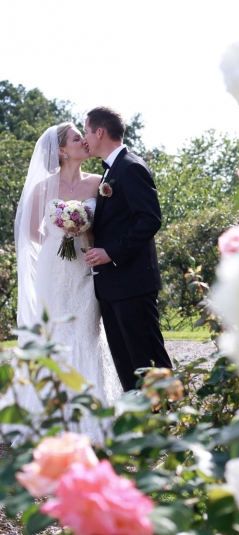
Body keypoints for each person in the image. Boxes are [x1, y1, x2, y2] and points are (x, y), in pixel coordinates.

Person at [7, 122, 123, 443]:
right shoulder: (44, 186)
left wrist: (82, 233)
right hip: (54, 269)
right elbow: (30, 231)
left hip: (86, 268)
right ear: (61, 149)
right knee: (55, 332)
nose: (83, 142)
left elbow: (107, 227)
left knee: (86, 332)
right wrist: (63, 233)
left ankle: (93, 418)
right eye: (76, 139)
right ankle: (48, 415)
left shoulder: (99, 183)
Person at [83, 107, 173, 392]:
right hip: (111, 286)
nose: (85, 138)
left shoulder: (130, 167)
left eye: (86, 131)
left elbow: (150, 219)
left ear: (100, 132)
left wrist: (111, 252)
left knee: (148, 359)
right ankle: (143, 424)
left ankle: (171, 422)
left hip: (133, 283)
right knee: (125, 362)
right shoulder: (111, 171)